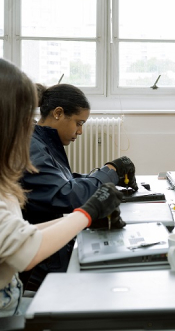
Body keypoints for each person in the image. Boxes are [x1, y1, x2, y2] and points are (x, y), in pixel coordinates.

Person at [0, 58, 124, 317]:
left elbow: (20, 234)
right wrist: (87, 213)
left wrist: (90, 208)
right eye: (24, 118)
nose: (30, 127)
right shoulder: (31, 147)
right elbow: (27, 250)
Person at [21, 83, 137, 286]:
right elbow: (66, 193)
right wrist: (109, 172)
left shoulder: (42, 140)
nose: (80, 131)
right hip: (42, 264)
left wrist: (108, 174)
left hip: (49, 249)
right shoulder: (33, 146)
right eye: (78, 123)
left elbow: (63, 179)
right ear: (58, 113)